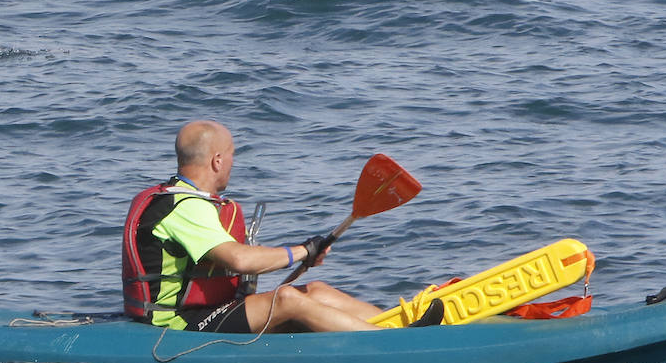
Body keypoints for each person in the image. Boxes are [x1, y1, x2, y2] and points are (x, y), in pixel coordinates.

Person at [121, 120, 443, 334]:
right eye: (232, 155)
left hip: (211, 310)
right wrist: (302, 250)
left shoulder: (192, 202)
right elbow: (241, 260)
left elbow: (233, 264)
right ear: (217, 161)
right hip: (176, 325)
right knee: (288, 299)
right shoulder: (185, 207)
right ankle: (392, 344)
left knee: (316, 291)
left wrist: (302, 256)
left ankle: (399, 327)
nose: (234, 162)